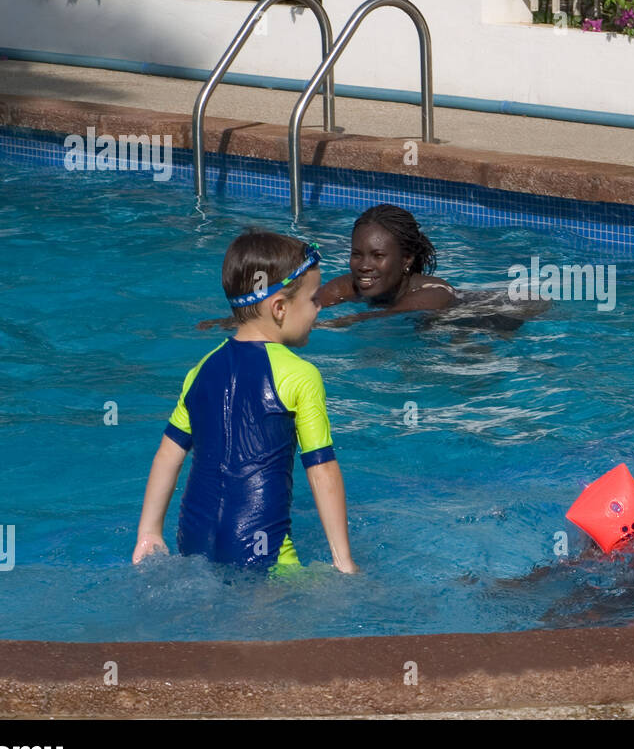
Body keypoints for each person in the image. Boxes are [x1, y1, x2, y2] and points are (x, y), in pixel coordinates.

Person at [134, 230, 357, 573]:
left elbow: (168, 455)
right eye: (314, 299)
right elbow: (322, 470)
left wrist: (148, 533)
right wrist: (344, 563)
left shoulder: (201, 370)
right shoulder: (300, 375)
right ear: (280, 308)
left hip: (193, 543)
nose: (321, 307)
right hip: (263, 554)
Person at [316, 204, 457, 327]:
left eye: (378, 256)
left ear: (406, 259)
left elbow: (386, 318)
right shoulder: (352, 284)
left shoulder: (435, 293)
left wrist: (326, 325)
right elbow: (304, 304)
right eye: (357, 254)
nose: (364, 266)